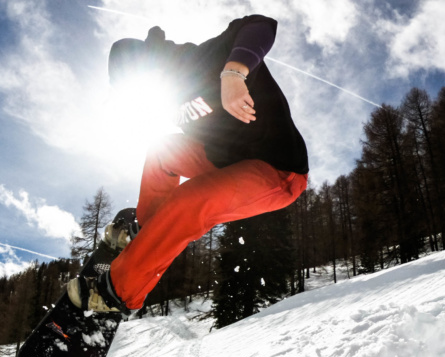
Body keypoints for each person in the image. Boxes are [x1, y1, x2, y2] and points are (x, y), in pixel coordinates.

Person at [68, 15, 308, 314]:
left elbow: (261, 24)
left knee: (189, 200)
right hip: (226, 162)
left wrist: (234, 73)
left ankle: (116, 293)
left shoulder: (204, 58)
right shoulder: (165, 101)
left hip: (278, 171)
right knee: (162, 150)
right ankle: (147, 230)